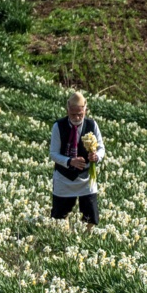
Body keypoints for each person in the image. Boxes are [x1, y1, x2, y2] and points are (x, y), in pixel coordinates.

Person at [49, 91, 105, 226]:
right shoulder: (58, 126)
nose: (77, 117)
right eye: (73, 114)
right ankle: (62, 236)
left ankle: (87, 236)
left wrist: (96, 156)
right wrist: (69, 161)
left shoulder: (92, 125)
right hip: (64, 176)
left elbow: (101, 148)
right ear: (67, 110)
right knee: (59, 215)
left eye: (80, 114)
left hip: (86, 176)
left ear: (85, 110)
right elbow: (53, 153)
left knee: (90, 213)